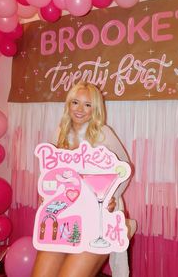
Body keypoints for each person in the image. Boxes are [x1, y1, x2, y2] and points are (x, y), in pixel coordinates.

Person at [31, 81, 135, 277]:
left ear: (95, 109)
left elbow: (124, 169)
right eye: (75, 102)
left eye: (88, 105)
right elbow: (50, 172)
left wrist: (110, 197)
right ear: (68, 104)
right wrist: (46, 194)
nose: (80, 110)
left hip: (97, 221)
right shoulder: (60, 132)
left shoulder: (103, 134)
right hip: (63, 219)